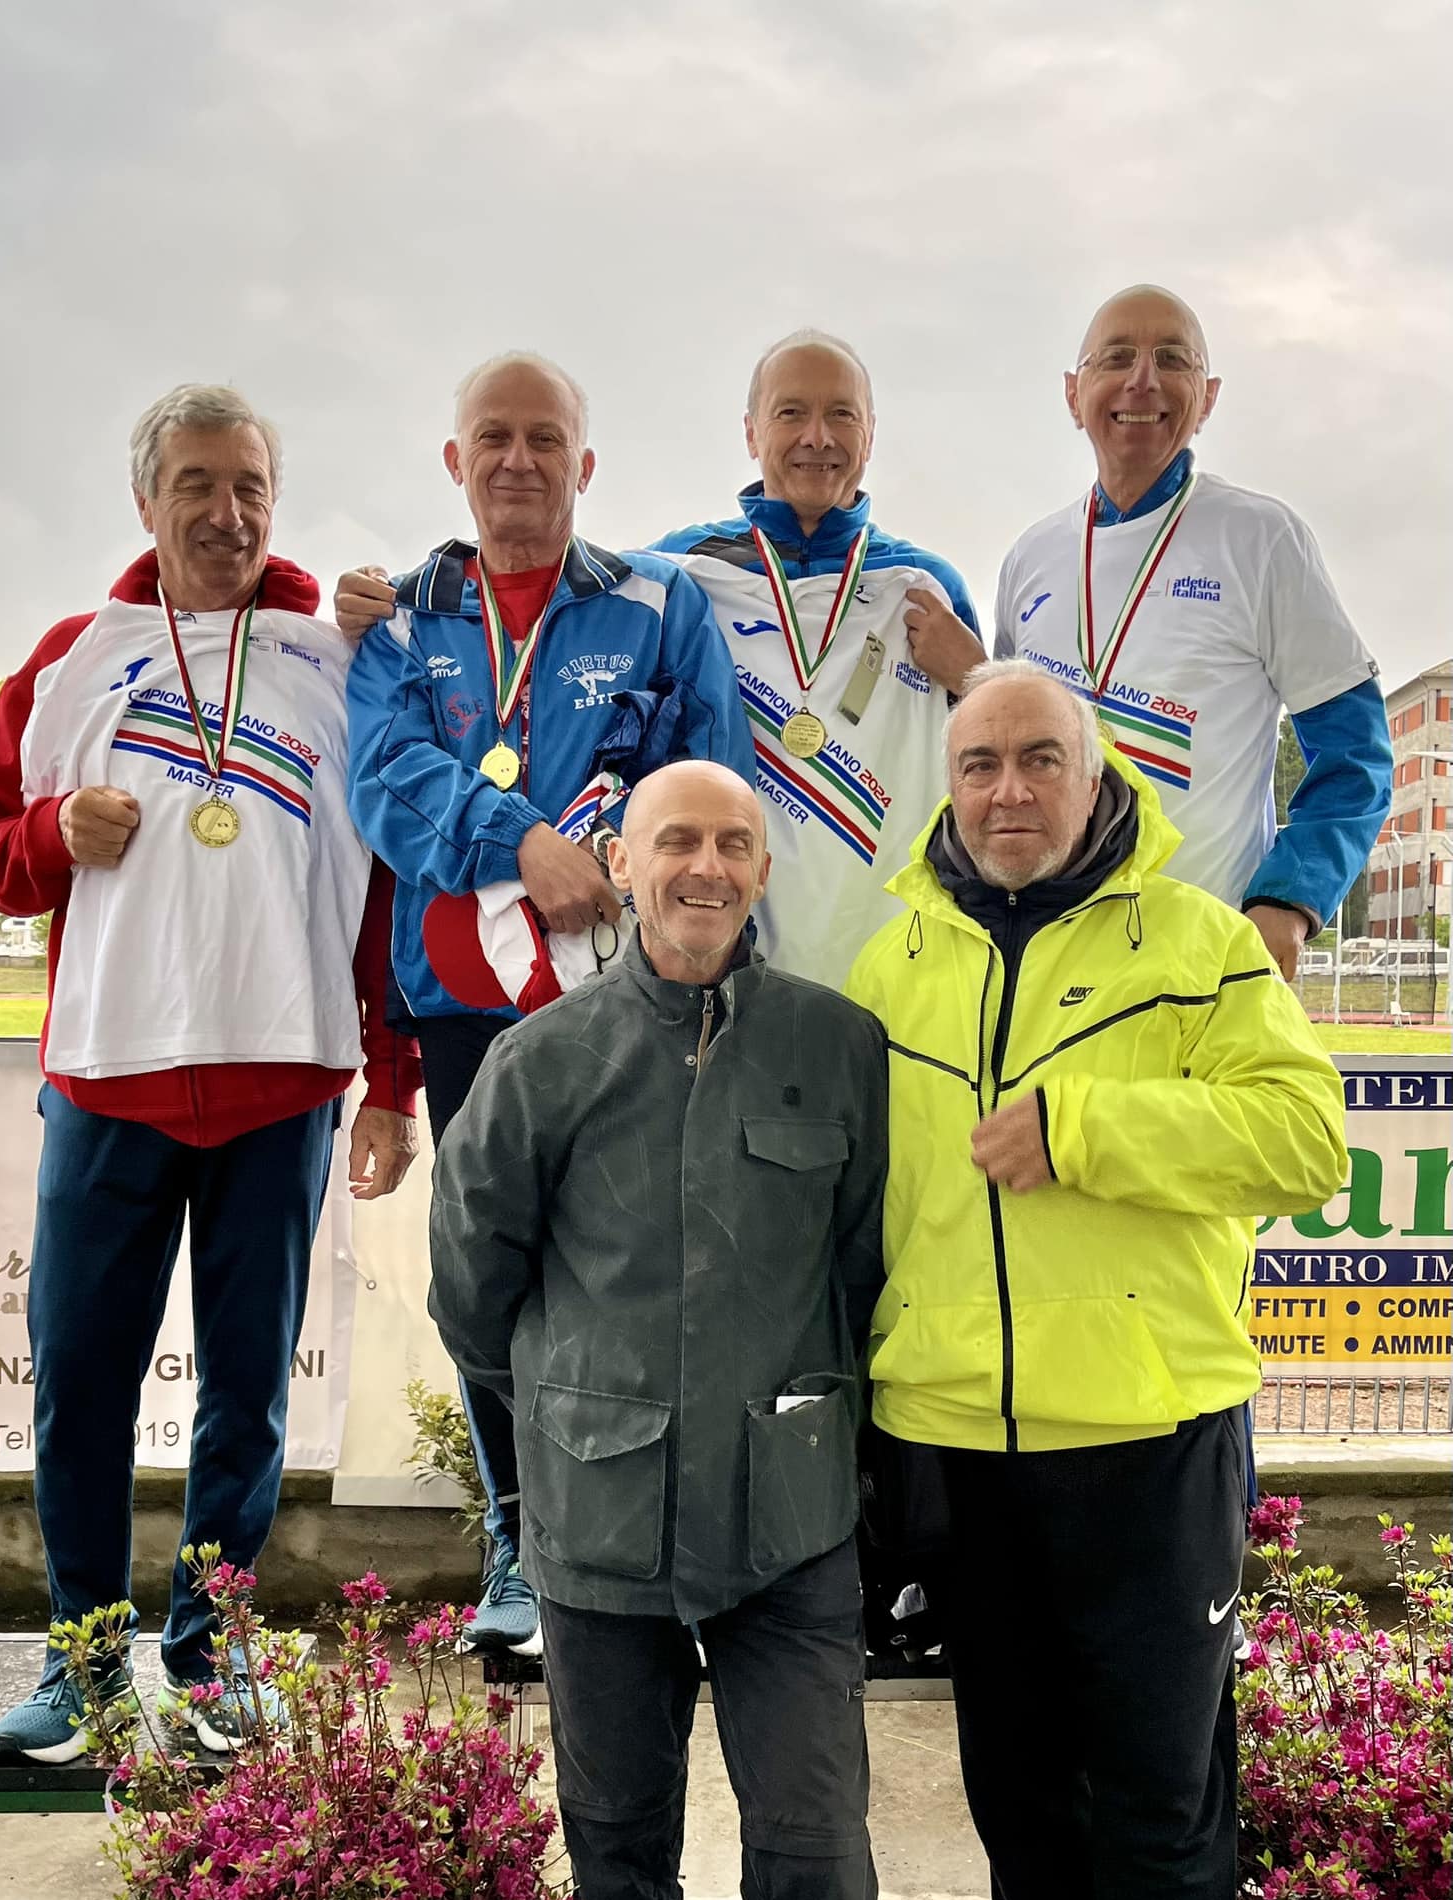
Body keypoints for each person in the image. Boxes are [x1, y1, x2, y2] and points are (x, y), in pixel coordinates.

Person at [844, 664, 1347, 1900]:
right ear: (951, 782)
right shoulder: (893, 963)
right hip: (959, 1445)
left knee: (1159, 1794)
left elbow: (1306, 1142)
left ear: (1096, 770)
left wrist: (1085, 1129)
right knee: (1013, 1788)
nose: (1008, 790)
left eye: (1040, 759)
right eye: (981, 763)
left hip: (1150, 1440)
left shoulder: (1197, 942)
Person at [0, 384, 420, 1764]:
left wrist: (390, 1077)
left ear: (277, 497)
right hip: (112, 1077)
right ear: (145, 501)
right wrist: (53, 833)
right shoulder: (73, 659)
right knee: (80, 1383)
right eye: (197, 486)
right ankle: (85, 1659)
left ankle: (212, 1655)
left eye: (250, 487)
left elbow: (386, 882)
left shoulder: (337, 660)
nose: (228, 514)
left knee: (249, 1394)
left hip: (282, 1083)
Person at [428, 761, 886, 1900]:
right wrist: (583, 1412)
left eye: (735, 842)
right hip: (602, 1524)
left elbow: (864, 1267)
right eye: (676, 839)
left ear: (763, 868)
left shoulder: (839, 1045)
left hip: (790, 1523)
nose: (707, 865)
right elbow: (472, 1291)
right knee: (619, 1851)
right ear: (621, 864)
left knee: (815, 1845)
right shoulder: (539, 1059)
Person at [342, 353, 755, 1659]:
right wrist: (522, 841)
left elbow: (714, 782)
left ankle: (663, 1536)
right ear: (454, 461)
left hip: (632, 1002)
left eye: (544, 438)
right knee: (491, 1278)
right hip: (466, 1007)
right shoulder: (401, 621)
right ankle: (522, 1542)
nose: (517, 460)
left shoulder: (660, 602)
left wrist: (651, 886)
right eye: (493, 437)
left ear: (585, 463)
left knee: (649, 1268)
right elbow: (384, 779)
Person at [973, 283, 1392, 982]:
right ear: (1074, 394)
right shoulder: (1031, 557)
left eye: (1172, 358)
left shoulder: (1262, 539)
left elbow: (1356, 758)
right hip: (1049, 961)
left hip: (1203, 964)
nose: (1142, 379)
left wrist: (1288, 900)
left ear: (1208, 397)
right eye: (1116, 357)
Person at [651, 328, 985, 985]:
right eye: (791, 413)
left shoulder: (925, 585)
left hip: (891, 964)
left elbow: (998, 758)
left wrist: (978, 679)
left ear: (870, 433)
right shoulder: (678, 572)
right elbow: (558, 614)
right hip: (724, 962)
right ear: (751, 433)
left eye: (841, 414)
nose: (818, 437)